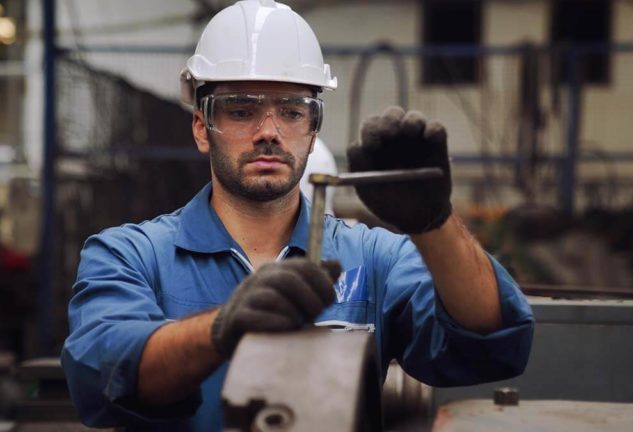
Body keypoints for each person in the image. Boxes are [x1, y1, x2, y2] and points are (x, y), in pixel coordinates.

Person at [61, 1, 534, 431]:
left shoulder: (372, 257)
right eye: (241, 110)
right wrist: (221, 329)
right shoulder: (130, 255)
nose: (269, 132)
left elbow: (492, 342)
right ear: (202, 128)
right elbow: (103, 370)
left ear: (313, 131)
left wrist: (435, 224)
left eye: (291, 111)